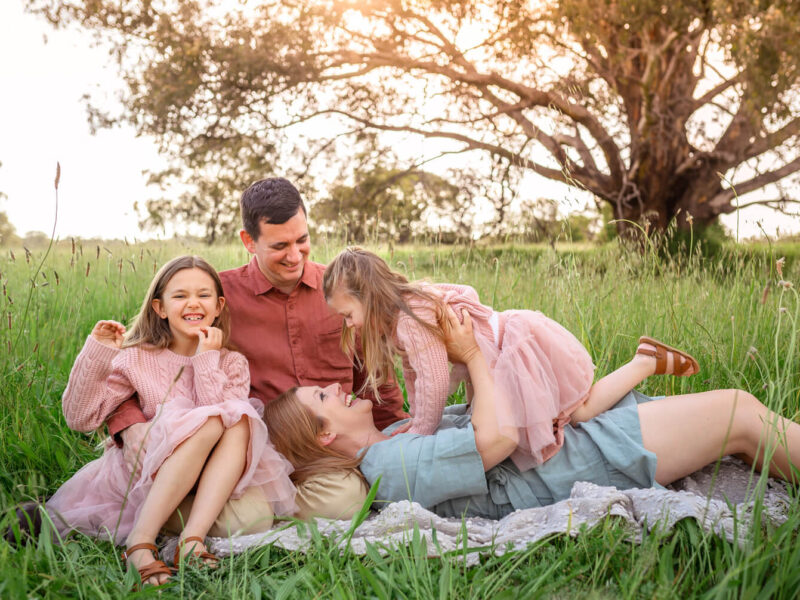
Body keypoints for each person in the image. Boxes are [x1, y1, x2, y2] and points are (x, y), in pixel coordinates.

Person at [264, 307, 800, 520]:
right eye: (322, 398)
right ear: (325, 436)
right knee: (739, 413)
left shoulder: (401, 433)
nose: (336, 387)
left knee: (744, 423)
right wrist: (473, 356)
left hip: (573, 439)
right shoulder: (388, 467)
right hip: (576, 462)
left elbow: (482, 409)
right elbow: (495, 441)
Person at [106, 178, 406, 519]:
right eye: (280, 246)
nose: (294, 256)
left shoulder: (341, 291)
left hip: (331, 454)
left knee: (345, 499)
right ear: (248, 241)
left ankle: (238, 510)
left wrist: (401, 438)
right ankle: (172, 510)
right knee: (250, 518)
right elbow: (142, 361)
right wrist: (128, 426)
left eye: (302, 240)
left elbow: (377, 380)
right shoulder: (215, 297)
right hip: (254, 455)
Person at [323, 247, 699, 470]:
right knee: (551, 417)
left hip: (513, 351)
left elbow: (435, 380)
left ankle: (644, 361)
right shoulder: (405, 310)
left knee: (579, 412)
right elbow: (418, 375)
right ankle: (644, 368)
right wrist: (418, 417)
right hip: (496, 353)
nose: (349, 324)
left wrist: (422, 430)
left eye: (348, 314)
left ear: (367, 296)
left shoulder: (410, 317)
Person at [46, 255, 296, 586]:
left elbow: (221, 420)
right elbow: (81, 418)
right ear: (160, 307)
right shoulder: (138, 357)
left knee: (237, 420)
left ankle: (191, 541)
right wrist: (97, 354)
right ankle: (140, 543)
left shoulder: (231, 362)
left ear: (219, 306)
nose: (193, 303)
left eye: (204, 295)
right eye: (180, 295)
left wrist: (206, 359)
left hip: (211, 476)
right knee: (215, 419)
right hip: (150, 472)